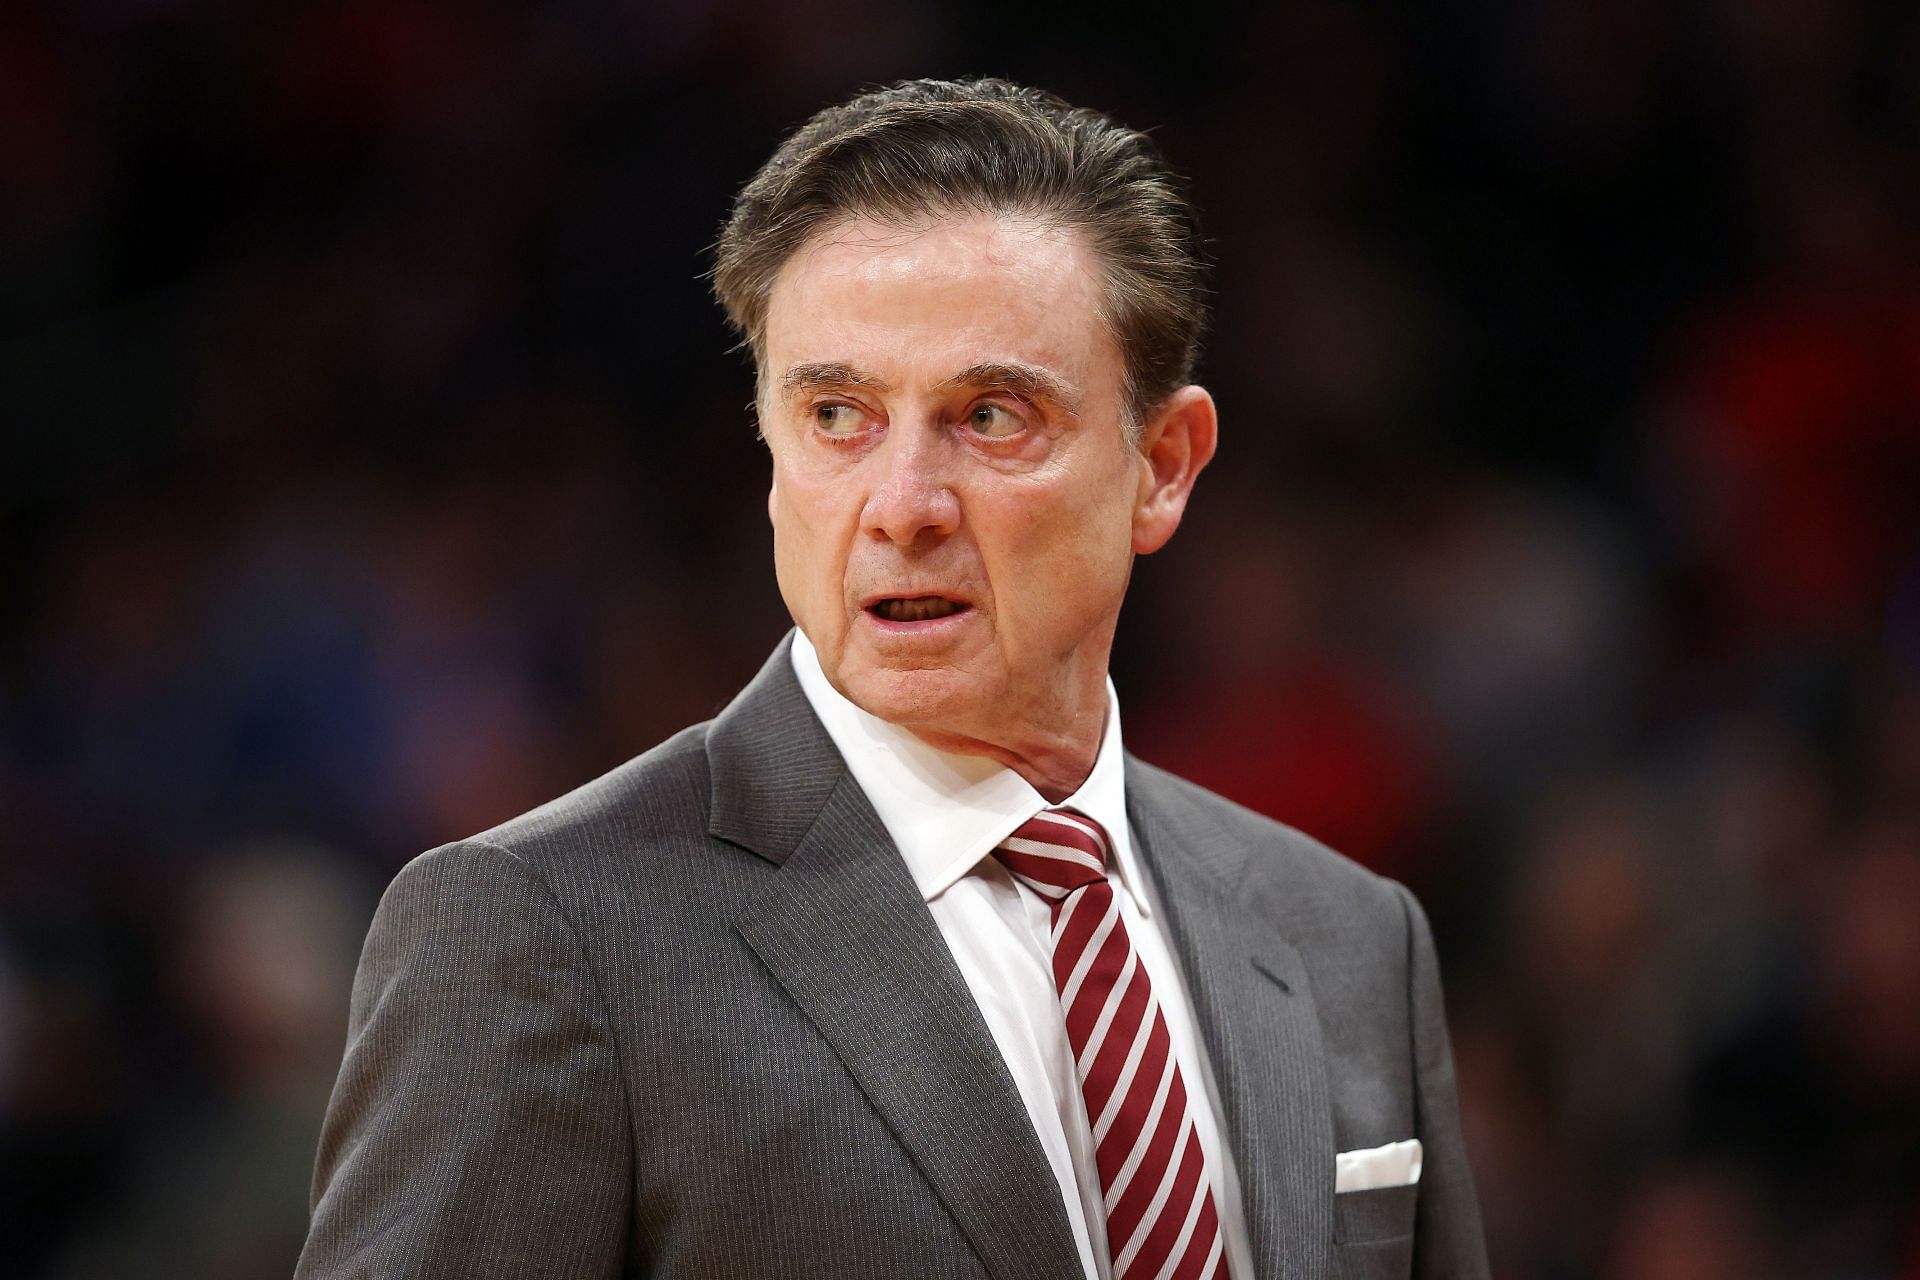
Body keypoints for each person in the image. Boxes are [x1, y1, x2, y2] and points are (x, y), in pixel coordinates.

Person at [297, 77, 1490, 1280]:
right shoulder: (541, 934)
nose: (904, 505)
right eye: (837, 415)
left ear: (1163, 466)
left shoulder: (1351, 937)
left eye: (989, 415)